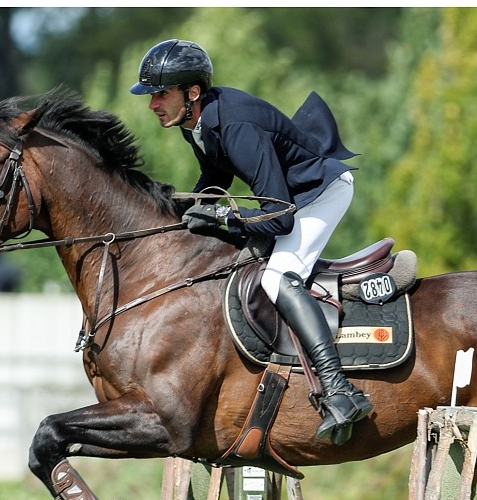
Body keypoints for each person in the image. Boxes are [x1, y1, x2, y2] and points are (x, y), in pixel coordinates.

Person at [130, 38, 373, 445]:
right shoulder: (196, 122)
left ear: (191, 93)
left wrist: (225, 216)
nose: (153, 103)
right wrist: (178, 216)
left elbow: (278, 217)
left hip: (321, 193)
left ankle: (340, 391)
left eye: (160, 93)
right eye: (151, 95)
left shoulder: (237, 125)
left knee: (280, 278)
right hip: (289, 198)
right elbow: (216, 180)